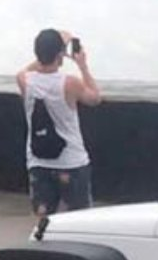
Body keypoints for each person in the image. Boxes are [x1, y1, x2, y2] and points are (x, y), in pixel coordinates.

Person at [17, 29, 101, 218]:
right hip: (71, 162)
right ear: (60, 54)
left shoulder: (25, 81)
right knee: (78, 221)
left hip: (39, 162)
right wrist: (83, 66)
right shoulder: (70, 83)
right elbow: (95, 98)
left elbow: (26, 70)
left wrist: (51, 51)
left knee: (43, 223)